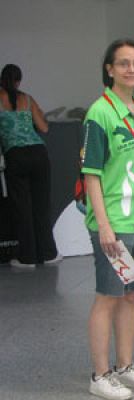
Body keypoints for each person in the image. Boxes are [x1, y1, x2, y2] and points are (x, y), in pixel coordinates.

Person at [82, 39, 134, 400]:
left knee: (130, 296)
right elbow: (92, 174)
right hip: (115, 224)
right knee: (108, 297)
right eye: (124, 63)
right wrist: (104, 225)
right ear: (109, 69)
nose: (132, 69)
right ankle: (100, 375)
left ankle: (125, 366)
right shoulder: (100, 113)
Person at [0, 64, 59, 268]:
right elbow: (43, 127)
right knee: (41, 205)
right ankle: (49, 254)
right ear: (19, 81)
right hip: (39, 153)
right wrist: (39, 114)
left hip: (15, 156)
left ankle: (27, 258)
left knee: (22, 208)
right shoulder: (28, 98)